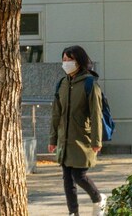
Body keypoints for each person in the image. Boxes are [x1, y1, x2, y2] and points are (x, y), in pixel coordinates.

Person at [50, 45, 108, 216]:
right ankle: (73, 212)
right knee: (67, 180)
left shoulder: (90, 84)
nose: (66, 63)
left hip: (82, 138)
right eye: (64, 60)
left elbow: (96, 114)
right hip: (64, 139)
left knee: (79, 175)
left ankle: (98, 198)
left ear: (80, 61)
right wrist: (53, 139)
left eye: (70, 60)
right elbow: (56, 114)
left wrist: (97, 141)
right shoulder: (61, 84)